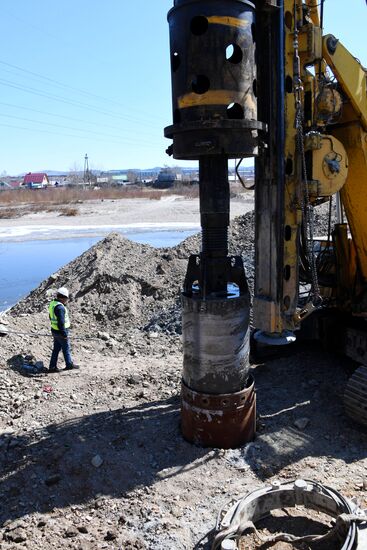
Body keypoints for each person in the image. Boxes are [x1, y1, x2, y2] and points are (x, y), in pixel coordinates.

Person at [49, 287, 79, 373]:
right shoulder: (60, 308)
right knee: (66, 348)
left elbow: (50, 317)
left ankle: (52, 367)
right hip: (61, 331)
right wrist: (64, 334)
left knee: (56, 349)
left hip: (54, 330)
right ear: (62, 297)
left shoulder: (53, 304)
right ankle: (69, 365)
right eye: (66, 298)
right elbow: (61, 322)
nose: (66, 300)